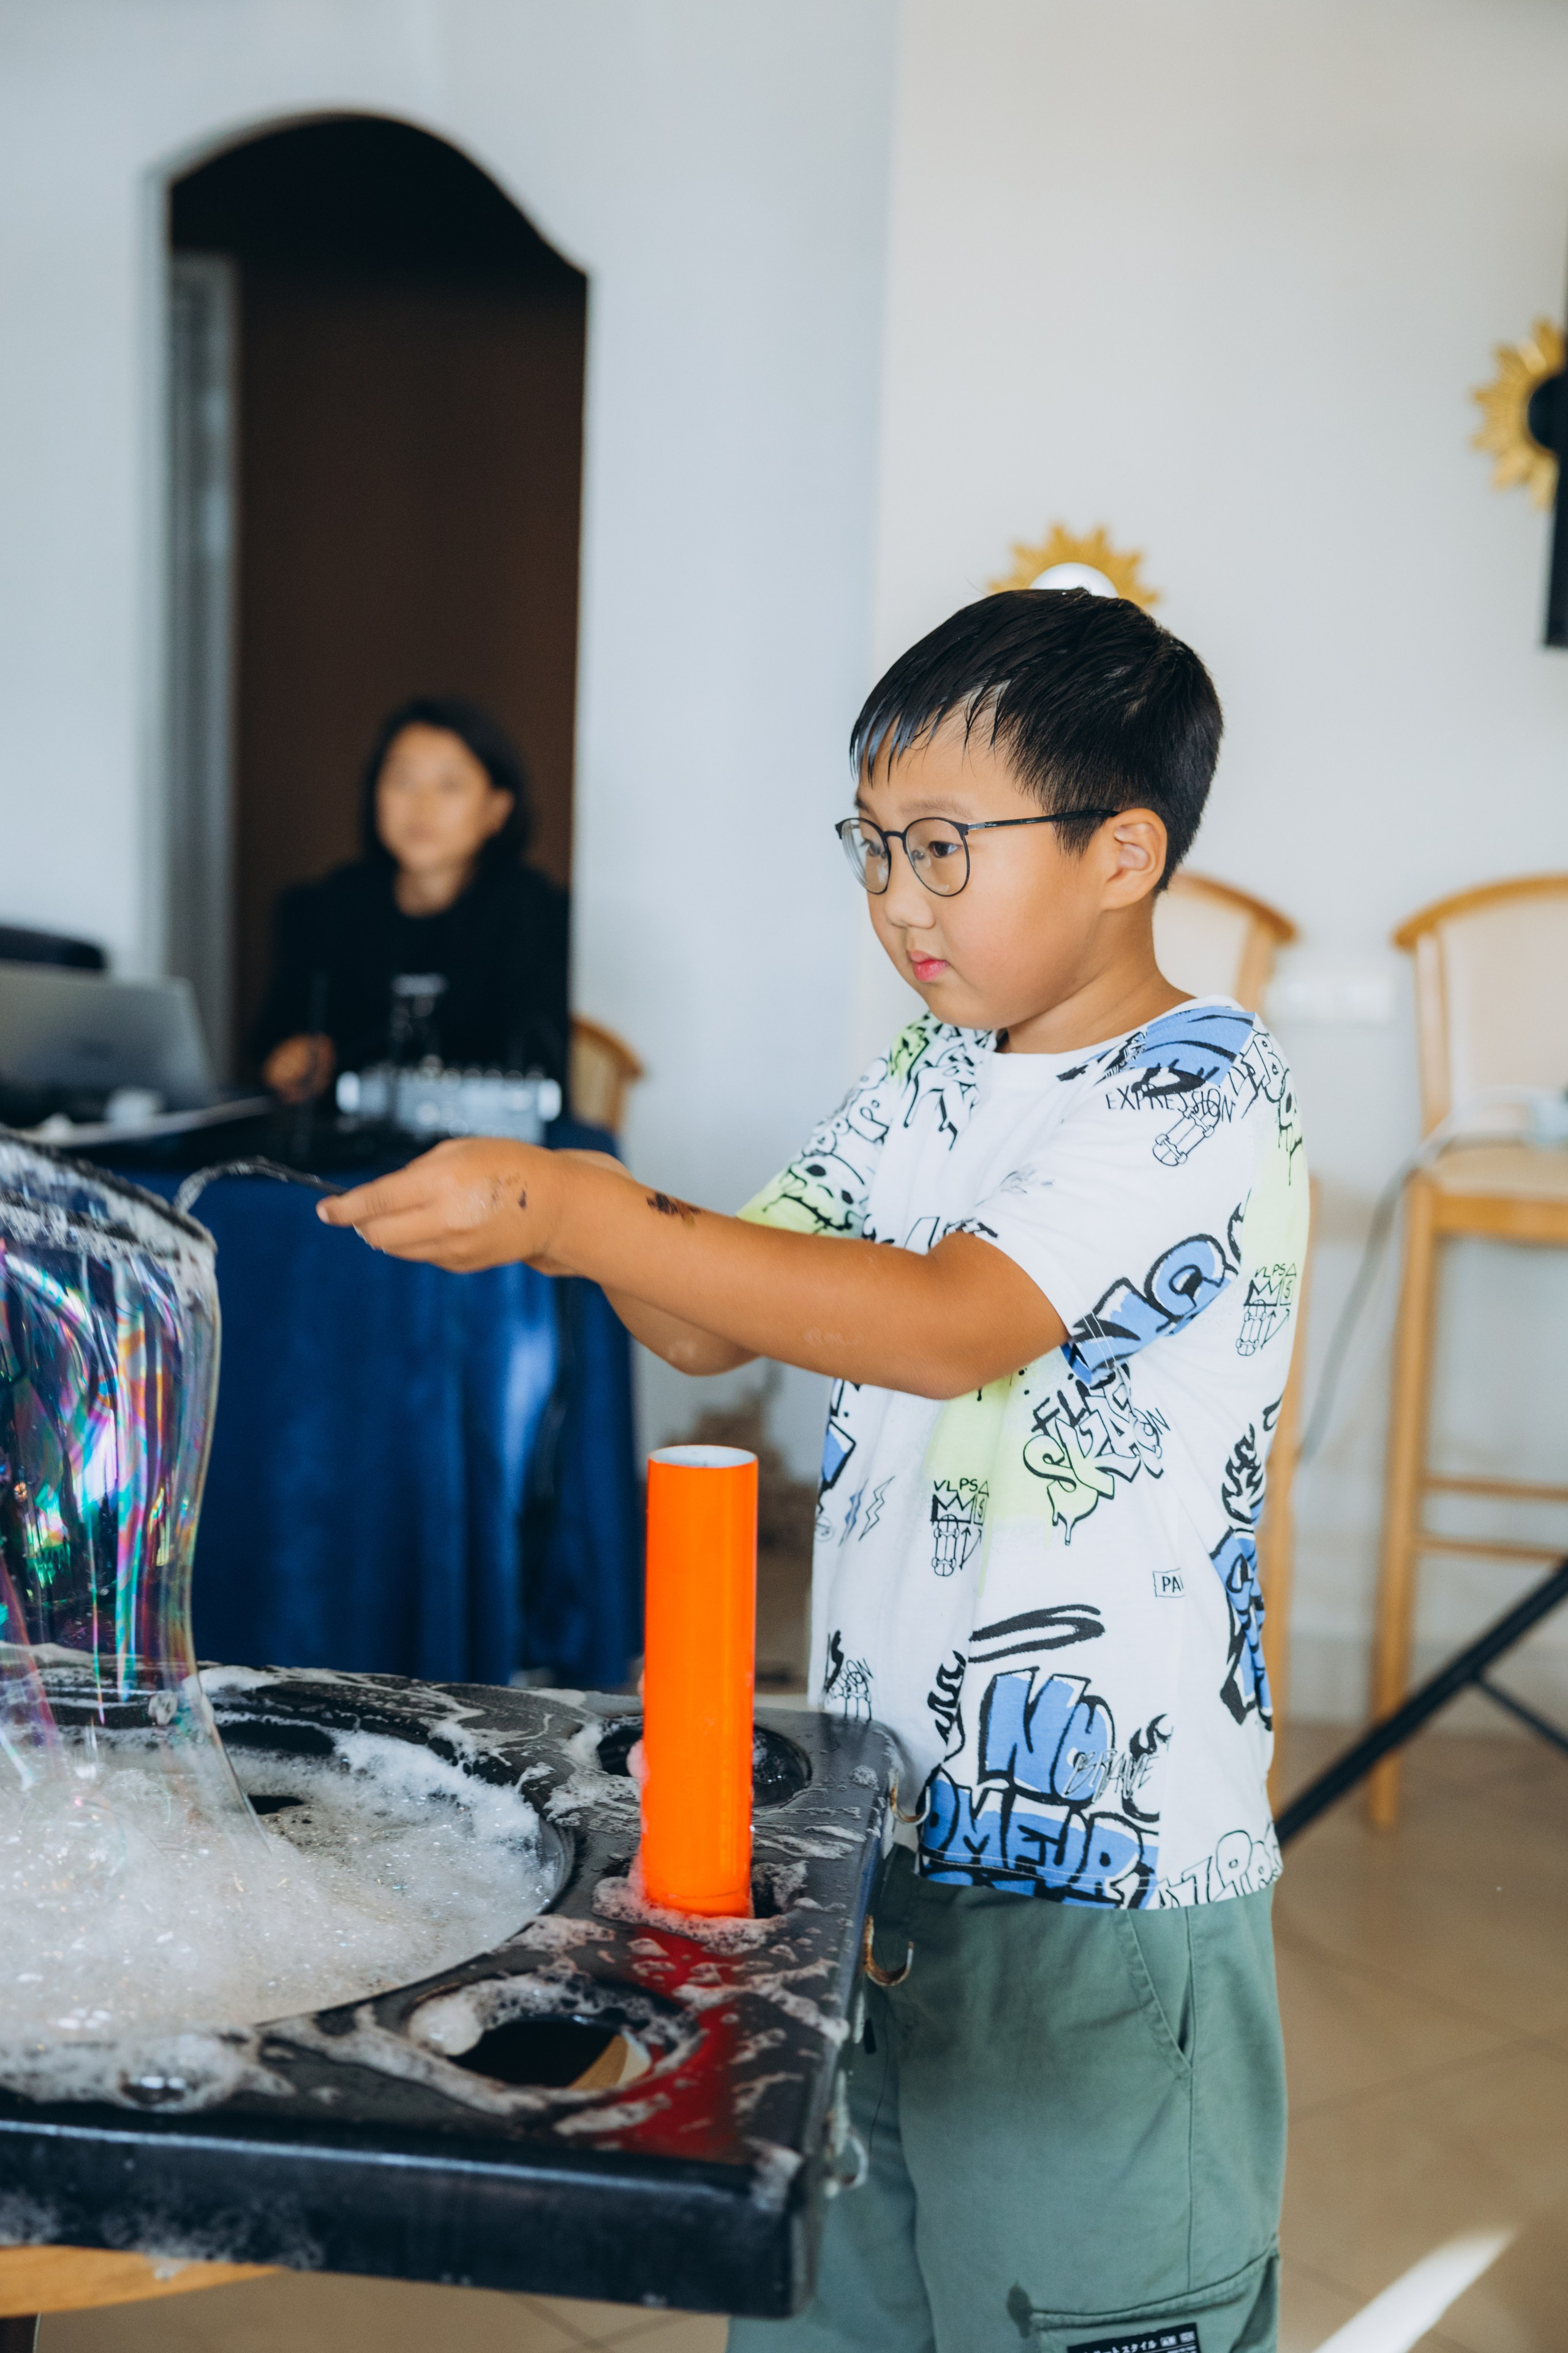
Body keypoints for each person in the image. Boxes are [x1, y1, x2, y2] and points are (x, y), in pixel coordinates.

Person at [318, 591, 1306, 2353]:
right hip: (875, 1829)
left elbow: (938, 1323)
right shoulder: (931, 1076)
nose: (895, 901)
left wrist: (593, 1209)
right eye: (872, 849)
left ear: (1122, 851)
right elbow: (711, 1324)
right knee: (837, 2301)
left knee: (1074, 2300)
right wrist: (561, 1217)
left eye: (942, 849)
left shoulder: (1202, 1090)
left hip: (1108, 1888)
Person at [251, 696, 570, 1102]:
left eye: (449, 785)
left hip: (485, 1154)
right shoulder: (332, 904)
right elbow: (275, 1038)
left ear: (497, 809)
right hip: (351, 1146)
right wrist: (294, 1060)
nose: (422, 806)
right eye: (402, 780)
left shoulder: (534, 912)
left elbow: (541, 1066)